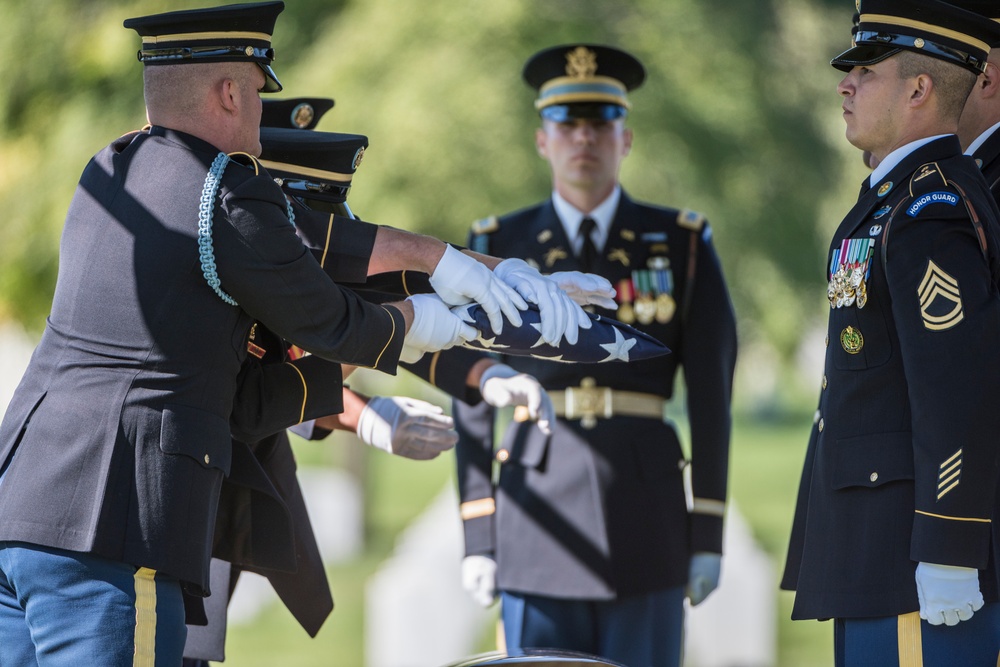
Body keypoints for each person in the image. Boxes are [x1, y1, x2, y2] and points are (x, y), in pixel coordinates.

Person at [0, 3, 588, 663]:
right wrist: (432, 318)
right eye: (257, 89)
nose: (259, 107)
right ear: (228, 92)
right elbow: (329, 318)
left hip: (19, 508)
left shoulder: (107, 169)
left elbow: (244, 377)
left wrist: (454, 278)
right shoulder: (226, 189)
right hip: (114, 525)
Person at [452, 44, 737, 667]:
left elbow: (713, 397)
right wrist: (478, 532)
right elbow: (469, 390)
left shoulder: (682, 242)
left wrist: (708, 532)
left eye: (600, 124)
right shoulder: (496, 244)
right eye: (567, 125)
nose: (584, 138)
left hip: (647, 513)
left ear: (625, 138)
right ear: (541, 140)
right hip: (536, 510)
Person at [779, 1, 1000, 664]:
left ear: (918, 90)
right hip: (876, 550)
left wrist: (948, 544)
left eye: (865, 71)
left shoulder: (929, 208)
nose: (845, 84)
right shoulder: (892, 199)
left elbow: (956, 387)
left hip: (912, 554)